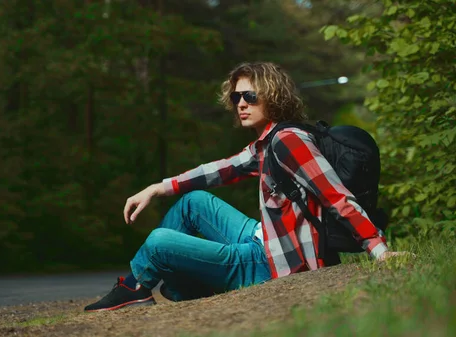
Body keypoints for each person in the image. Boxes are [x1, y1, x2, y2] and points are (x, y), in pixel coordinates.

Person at [84, 62, 406, 312]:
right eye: (236, 96)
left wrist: (380, 251)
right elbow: (220, 170)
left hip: (272, 263)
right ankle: (143, 288)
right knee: (194, 202)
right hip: (263, 240)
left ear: (273, 97)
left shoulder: (290, 141)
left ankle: (159, 286)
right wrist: (158, 187)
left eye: (250, 96)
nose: (240, 103)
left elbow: (336, 196)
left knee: (158, 243)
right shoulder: (268, 143)